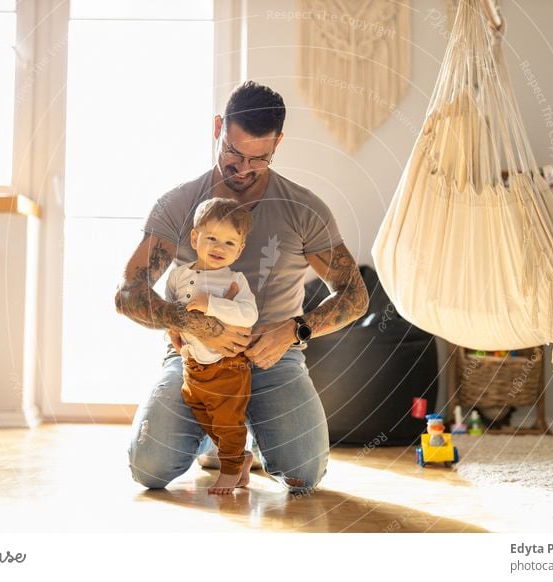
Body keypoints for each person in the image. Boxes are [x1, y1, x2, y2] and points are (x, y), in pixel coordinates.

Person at [115, 80, 369, 494]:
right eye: (234, 153)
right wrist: (189, 323)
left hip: (275, 360)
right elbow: (128, 294)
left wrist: (295, 330)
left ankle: (234, 435)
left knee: (304, 474)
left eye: (259, 159)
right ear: (218, 128)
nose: (243, 168)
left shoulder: (304, 209)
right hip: (194, 361)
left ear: (279, 143)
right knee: (149, 468)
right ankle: (217, 436)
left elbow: (355, 296)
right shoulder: (179, 205)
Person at [168, 198, 259, 494]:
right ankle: (240, 458)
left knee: (228, 421)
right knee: (201, 412)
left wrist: (212, 304)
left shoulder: (234, 279)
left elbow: (249, 315)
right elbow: (169, 309)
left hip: (227, 367)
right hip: (192, 366)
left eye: (230, 243)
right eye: (212, 239)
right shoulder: (178, 275)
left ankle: (231, 471)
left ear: (240, 249)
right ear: (195, 238)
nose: (220, 248)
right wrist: (173, 330)